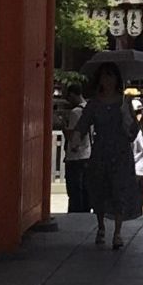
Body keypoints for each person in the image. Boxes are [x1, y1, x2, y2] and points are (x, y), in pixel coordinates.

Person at [77, 61, 141, 250]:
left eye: (111, 76)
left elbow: (132, 131)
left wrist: (131, 120)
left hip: (120, 151)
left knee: (119, 189)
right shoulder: (94, 104)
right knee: (100, 189)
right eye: (105, 76)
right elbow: (83, 124)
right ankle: (101, 225)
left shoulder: (124, 102)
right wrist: (75, 139)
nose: (108, 80)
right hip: (101, 150)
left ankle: (118, 232)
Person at [63, 85, 92, 216]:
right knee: (85, 188)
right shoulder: (89, 109)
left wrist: (64, 128)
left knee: (74, 190)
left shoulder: (76, 112)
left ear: (73, 95)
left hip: (76, 156)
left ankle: (75, 214)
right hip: (88, 153)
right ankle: (85, 212)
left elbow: (73, 136)